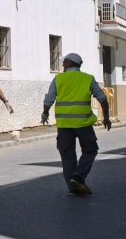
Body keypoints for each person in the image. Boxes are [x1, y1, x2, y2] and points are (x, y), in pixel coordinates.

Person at [42, 52, 111, 197]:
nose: (63, 64)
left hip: (64, 124)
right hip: (83, 123)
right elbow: (102, 99)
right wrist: (106, 117)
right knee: (90, 150)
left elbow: (49, 99)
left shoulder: (58, 79)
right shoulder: (88, 78)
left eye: (65, 62)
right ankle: (78, 178)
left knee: (67, 156)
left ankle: (73, 187)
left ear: (72, 63)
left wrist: (45, 113)